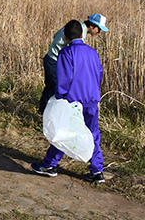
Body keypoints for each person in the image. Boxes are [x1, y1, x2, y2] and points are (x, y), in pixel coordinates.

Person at [31, 19, 106, 184]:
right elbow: (99, 75)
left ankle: (49, 165)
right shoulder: (93, 52)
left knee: (63, 132)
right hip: (92, 100)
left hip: (73, 101)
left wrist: (59, 98)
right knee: (93, 135)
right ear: (82, 34)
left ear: (65, 37)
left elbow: (64, 80)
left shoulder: (66, 53)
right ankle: (97, 171)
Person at [39, 14, 109, 114]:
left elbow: (55, 35)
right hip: (54, 60)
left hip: (52, 59)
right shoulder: (79, 31)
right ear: (92, 26)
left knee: (51, 86)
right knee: (55, 87)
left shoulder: (76, 27)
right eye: (99, 29)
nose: (99, 32)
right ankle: (48, 113)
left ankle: (44, 111)